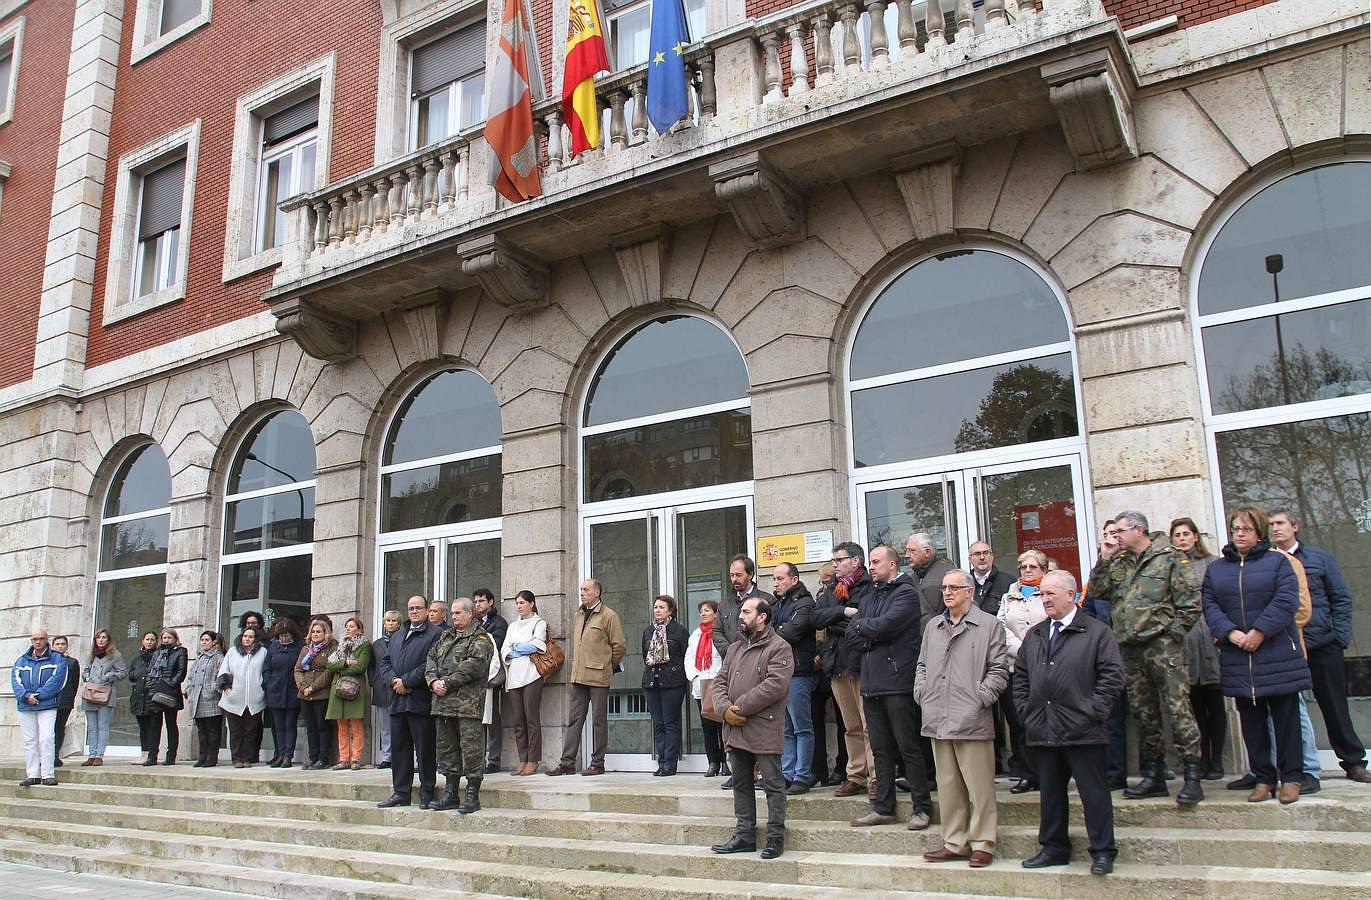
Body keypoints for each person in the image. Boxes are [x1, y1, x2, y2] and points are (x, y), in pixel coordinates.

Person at [1088, 510, 1205, 806]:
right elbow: (1097, 591)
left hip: (1162, 646)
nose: (1116, 537)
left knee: (1178, 708)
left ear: (1138, 530)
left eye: (1120, 532)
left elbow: (1190, 601)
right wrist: (1104, 557)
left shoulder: (1170, 557)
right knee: (1143, 712)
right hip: (1129, 647)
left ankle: (1192, 775)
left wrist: (1172, 633)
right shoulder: (1119, 562)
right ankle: (1153, 774)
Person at [1016, 570, 1125, 876]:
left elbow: (1112, 676)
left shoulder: (1096, 632)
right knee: (1050, 794)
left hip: (1084, 730)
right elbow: (1021, 677)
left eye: (1051, 593)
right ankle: (1053, 847)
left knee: (1094, 795)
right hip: (1044, 728)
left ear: (1071, 595)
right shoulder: (1035, 634)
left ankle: (1103, 851)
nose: (1045, 599)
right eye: (1042, 594)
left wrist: (1093, 711)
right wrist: (1027, 712)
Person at [1203, 506, 1311, 804]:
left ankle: (1291, 778)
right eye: (1236, 528)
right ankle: (1263, 777)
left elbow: (1287, 601)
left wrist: (1259, 632)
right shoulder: (1217, 568)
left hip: (1276, 653)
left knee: (1286, 720)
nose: (1240, 534)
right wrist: (1231, 633)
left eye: (1246, 529)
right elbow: (1210, 604)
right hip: (1239, 657)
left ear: (1259, 532)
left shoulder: (1278, 563)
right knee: (1251, 722)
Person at [914, 569, 1010, 868]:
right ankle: (954, 841)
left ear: (970, 592)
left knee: (979, 787)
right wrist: (923, 693)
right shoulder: (934, 626)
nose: (947, 592)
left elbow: (999, 669)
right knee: (948, 785)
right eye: (944, 587)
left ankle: (983, 843)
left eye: (954, 587)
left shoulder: (989, 625)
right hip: (937, 716)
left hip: (971, 717)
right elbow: (922, 665)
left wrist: (980, 697)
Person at [1269, 509, 1371, 785]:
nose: (1275, 528)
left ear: (1295, 526)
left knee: (1334, 706)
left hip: (1323, 643)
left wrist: (1339, 637)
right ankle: (1295, 768)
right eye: (1271, 525)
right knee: (1289, 710)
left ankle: (1353, 763)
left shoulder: (1319, 558)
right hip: (1287, 646)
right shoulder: (1268, 561)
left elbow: (1340, 598)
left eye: (1280, 523)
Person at [847, 545, 932, 831]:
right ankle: (883, 807)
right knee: (880, 749)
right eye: (869, 561)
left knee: (909, 748)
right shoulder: (871, 593)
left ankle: (922, 807)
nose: (871, 566)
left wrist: (866, 629)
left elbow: (887, 626)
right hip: (871, 682)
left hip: (897, 682)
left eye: (875, 561)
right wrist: (868, 631)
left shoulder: (906, 593)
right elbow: (853, 632)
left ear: (892, 564)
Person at [709, 596, 794, 860]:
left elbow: (775, 686)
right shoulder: (734, 648)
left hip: (763, 727)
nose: (740, 616)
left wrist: (740, 707)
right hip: (735, 728)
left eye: (746, 612)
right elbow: (720, 682)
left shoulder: (779, 647)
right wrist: (724, 710)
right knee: (741, 784)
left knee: (772, 784)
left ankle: (775, 837)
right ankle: (744, 835)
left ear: (762, 617)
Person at [811, 542, 874, 799]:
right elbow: (816, 618)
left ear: (855, 561)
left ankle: (877, 776)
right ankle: (856, 775)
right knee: (850, 726)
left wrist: (835, 618)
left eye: (839, 560)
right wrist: (842, 611)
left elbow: (861, 621)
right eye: (834, 560)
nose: (835, 564)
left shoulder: (868, 586)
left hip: (861, 662)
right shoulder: (832, 589)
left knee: (869, 724)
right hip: (837, 664)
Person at [547, 579, 626, 777]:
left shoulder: (609, 615)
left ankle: (598, 763)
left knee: (599, 721)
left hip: (599, 675)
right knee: (575, 719)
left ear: (597, 593)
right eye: (581, 589)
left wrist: (607, 664)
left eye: (586, 589)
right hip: (579, 674)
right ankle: (567, 763)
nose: (582, 592)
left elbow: (619, 646)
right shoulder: (579, 614)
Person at [426, 597, 493, 813]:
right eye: (452, 613)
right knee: (446, 750)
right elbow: (431, 660)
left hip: (467, 705)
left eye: (457, 613)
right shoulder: (445, 636)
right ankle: (451, 793)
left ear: (469, 613)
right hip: (442, 704)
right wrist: (433, 681)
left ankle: (472, 795)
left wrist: (446, 682)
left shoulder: (481, 637)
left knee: (471, 749)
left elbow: (473, 667)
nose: (453, 617)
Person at [378, 595, 444, 809]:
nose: (414, 611)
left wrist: (406, 681)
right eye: (411, 608)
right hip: (397, 701)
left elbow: (430, 664)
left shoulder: (436, 634)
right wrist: (394, 681)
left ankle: (426, 792)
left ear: (426, 610)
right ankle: (401, 792)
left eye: (418, 608)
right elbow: (385, 662)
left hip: (420, 701)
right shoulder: (398, 635)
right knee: (399, 750)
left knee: (425, 750)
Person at [1172, 517, 1224, 780]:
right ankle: (1200, 758)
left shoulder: (1212, 563)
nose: (1181, 539)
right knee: (1193, 702)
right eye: (1177, 535)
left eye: (1185, 534)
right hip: (1184, 639)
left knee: (1214, 702)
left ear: (1195, 536)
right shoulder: (1170, 566)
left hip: (1209, 635)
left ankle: (1217, 760)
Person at [997, 550, 1049, 793]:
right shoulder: (1010, 596)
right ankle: (1027, 774)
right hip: (1015, 666)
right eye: (1023, 567)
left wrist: (1037, 651)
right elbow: (1001, 628)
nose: (1027, 571)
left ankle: (1049, 773)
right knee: (1019, 722)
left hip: (1047, 666)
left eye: (1033, 567)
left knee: (1045, 721)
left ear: (1044, 570)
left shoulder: (1049, 592)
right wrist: (1022, 650)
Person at [770, 562, 817, 792]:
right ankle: (787, 774)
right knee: (785, 729)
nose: (776, 583)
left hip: (799, 672)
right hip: (780, 673)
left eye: (780, 578)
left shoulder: (805, 603)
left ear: (794, 579)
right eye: (775, 579)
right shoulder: (778, 603)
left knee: (802, 727)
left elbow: (790, 633)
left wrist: (769, 636)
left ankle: (802, 775)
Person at [642, 595, 690, 777]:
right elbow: (645, 656)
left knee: (671, 723)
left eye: (662, 607)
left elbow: (686, 655)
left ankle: (670, 764)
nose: (657, 610)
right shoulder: (648, 632)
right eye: (655, 607)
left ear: (670, 610)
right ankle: (661, 762)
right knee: (659, 723)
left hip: (673, 682)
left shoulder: (679, 631)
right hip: (651, 682)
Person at [502, 590, 548, 776]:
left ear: (532, 603)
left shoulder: (539, 623)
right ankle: (522, 758)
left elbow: (538, 645)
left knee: (531, 719)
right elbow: (505, 648)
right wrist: (515, 650)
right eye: (517, 603)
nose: (519, 606)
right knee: (518, 721)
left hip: (531, 676)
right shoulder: (513, 626)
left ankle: (533, 759)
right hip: (514, 676)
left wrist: (517, 647)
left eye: (522, 603)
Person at [13, 628, 66, 786]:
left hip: (47, 705)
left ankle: (48, 774)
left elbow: (58, 682)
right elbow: (16, 682)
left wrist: (38, 696)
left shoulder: (57, 659)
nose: (38, 641)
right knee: (30, 741)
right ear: (31, 640)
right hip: (26, 706)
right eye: (35, 639)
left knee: (46, 739)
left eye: (41, 638)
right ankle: (33, 774)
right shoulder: (22, 660)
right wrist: (26, 696)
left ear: (46, 640)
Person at [809, 563, 844, 786]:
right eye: (821, 581)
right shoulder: (819, 597)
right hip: (816, 667)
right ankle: (818, 769)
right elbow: (813, 623)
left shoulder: (842, 595)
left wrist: (823, 655)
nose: (824, 585)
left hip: (836, 663)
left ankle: (842, 768)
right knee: (813, 720)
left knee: (844, 721)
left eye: (827, 580)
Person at [685, 599, 728, 777]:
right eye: (701, 611)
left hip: (718, 683)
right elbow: (689, 658)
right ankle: (713, 762)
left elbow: (726, 657)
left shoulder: (721, 633)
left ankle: (727, 762)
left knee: (722, 724)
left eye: (707, 610)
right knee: (707, 725)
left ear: (716, 613)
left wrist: (720, 678)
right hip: (701, 684)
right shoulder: (695, 635)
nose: (703, 613)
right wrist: (695, 677)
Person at [327, 616, 372, 770]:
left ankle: (356, 759)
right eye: (347, 626)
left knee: (356, 724)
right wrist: (345, 663)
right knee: (341, 725)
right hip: (338, 688)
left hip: (354, 687)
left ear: (359, 629)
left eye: (352, 626)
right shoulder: (341, 645)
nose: (348, 629)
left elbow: (360, 667)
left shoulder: (365, 645)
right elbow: (330, 664)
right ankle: (344, 758)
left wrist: (341, 668)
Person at [219, 626, 267, 767]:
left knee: (250, 731)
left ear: (255, 639)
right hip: (233, 698)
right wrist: (227, 689)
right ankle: (236, 758)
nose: (247, 639)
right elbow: (224, 671)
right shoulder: (232, 652)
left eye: (251, 636)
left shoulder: (263, 652)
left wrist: (262, 689)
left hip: (255, 698)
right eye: (245, 636)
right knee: (235, 731)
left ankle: (247, 758)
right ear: (241, 637)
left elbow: (265, 672)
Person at [294, 618, 337, 770]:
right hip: (304, 694)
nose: (315, 634)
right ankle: (313, 758)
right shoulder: (306, 649)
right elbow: (298, 669)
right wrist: (303, 686)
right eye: (313, 631)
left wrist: (313, 687)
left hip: (321, 693)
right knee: (310, 727)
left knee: (322, 726)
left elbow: (329, 671)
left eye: (319, 631)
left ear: (326, 633)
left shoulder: (331, 648)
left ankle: (323, 759)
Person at [473, 588, 508, 773]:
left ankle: (493, 759)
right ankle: (478, 759)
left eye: (481, 601)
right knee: (477, 720)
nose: (478, 604)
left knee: (492, 718)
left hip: (490, 677)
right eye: (476, 601)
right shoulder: (474, 622)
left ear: (491, 602)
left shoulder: (498, 622)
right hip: (474, 678)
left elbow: (496, 648)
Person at [81, 628, 126, 766]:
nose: (101, 640)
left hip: (106, 693)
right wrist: (87, 677)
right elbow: (85, 670)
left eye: (104, 637)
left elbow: (123, 672)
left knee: (102, 725)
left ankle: (99, 755)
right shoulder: (91, 655)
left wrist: (110, 676)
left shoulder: (115, 655)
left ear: (108, 640)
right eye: (98, 637)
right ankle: (92, 754)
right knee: (92, 727)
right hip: (90, 692)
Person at [262, 619, 302, 767]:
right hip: (275, 690)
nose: (284, 638)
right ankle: (280, 753)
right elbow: (266, 668)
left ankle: (288, 755)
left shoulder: (299, 647)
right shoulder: (273, 647)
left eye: (286, 635)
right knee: (278, 726)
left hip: (292, 690)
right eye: (281, 636)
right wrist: (268, 683)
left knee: (290, 725)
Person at [145, 629, 188, 766]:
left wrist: (170, 684)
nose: (166, 640)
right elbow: (151, 670)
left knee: (171, 724)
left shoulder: (180, 651)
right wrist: (151, 686)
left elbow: (181, 672)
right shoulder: (157, 652)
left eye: (169, 637)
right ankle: (152, 757)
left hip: (170, 691)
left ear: (175, 638)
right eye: (164, 637)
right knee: (154, 726)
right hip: (155, 690)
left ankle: (171, 756)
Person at [184, 631, 225, 768]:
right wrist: (189, 690)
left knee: (213, 731)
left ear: (213, 641)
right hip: (197, 698)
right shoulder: (199, 657)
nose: (204, 642)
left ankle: (211, 757)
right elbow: (191, 676)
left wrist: (213, 689)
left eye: (207, 639)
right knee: (202, 731)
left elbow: (222, 675)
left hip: (211, 699)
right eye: (202, 639)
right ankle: (202, 756)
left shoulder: (218, 656)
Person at [905, 534, 958, 629]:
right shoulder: (913, 578)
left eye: (912, 551)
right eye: (907, 551)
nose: (906, 555)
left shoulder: (949, 575)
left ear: (927, 552)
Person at [369, 609, 401, 768]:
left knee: (399, 725)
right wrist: (374, 682)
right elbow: (372, 666)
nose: (391, 623)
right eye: (388, 621)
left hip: (398, 687)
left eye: (394, 621)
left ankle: (400, 756)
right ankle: (387, 757)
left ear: (399, 624)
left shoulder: (403, 640)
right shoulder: (377, 644)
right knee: (385, 726)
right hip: (381, 688)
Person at [127, 632, 158, 766]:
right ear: (142, 641)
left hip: (151, 696)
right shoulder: (137, 657)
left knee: (152, 727)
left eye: (152, 640)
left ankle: (152, 754)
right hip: (139, 696)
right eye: (147, 639)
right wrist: (137, 674)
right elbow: (131, 674)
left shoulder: (157, 656)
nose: (149, 642)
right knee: (142, 727)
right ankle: (144, 753)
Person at [720, 554, 764, 646]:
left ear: (750, 575)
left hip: (756, 656)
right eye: (732, 575)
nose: (734, 579)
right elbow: (717, 631)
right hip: (730, 657)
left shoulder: (765, 601)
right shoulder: (724, 604)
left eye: (738, 575)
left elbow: (768, 631)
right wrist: (730, 652)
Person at [49, 636, 79, 768]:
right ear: (52, 646)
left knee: (59, 728)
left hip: (65, 701)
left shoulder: (72, 662)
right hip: (49, 700)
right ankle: (46, 755)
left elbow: (75, 682)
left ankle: (55, 755)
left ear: (67, 646)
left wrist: (70, 698)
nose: (60, 646)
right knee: (48, 729)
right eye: (57, 644)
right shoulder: (48, 661)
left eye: (63, 644)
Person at [969, 543, 1012, 616]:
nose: (982, 557)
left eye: (986, 553)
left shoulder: (1008, 581)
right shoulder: (963, 583)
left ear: (992, 556)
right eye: (977, 554)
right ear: (970, 559)